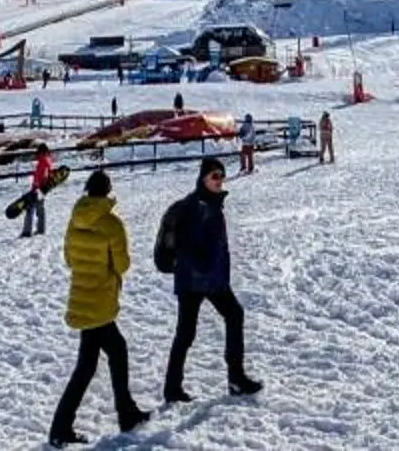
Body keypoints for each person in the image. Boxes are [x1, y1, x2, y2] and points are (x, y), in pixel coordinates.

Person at [48, 170, 148, 445]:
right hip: (101, 302)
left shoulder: (75, 219)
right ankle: (124, 414)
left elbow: (69, 259)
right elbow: (123, 265)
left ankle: (64, 427)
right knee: (111, 354)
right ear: (108, 191)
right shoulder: (111, 224)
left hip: (81, 298)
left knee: (93, 363)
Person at [160, 156, 260, 401]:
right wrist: (204, 266)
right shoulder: (196, 206)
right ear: (203, 177)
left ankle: (175, 388)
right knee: (216, 321)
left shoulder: (211, 203)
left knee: (194, 329)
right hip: (197, 280)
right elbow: (185, 245)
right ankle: (233, 378)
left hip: (207, 278)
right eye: (214, 176)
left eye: (221, 176)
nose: (219, 180)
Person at [23, 145, 59, 237]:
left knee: (30, 208)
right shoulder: (45, 161)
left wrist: (37, 187)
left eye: (38, 153)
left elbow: (43, 176)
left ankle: (27, 231)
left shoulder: (44, 162)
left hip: (39, 188)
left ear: (42, 152)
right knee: (40, 208)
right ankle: (41, 229)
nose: (37, 155)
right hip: (42, 188)